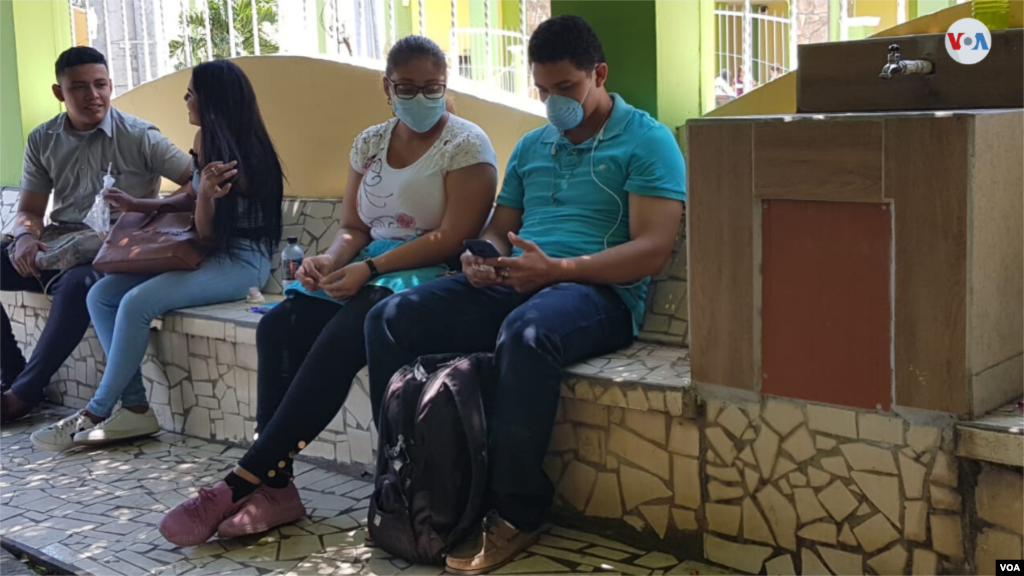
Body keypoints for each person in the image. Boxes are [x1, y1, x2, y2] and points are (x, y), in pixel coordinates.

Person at [364, 15, 686, 575]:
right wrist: (481, 256)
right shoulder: (534, 146)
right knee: (388, 320)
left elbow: (653, 249)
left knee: (527, 337)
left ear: (599, 74)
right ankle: (411, 484)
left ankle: (517, 511)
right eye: (543, 90)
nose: (554, 102)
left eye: (567, 88)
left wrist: (558, 268)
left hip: (598, 293)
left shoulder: (648, 140)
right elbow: (498, 226)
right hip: (520, 280)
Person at [158, 36, 498, 547]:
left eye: (433, 88)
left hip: (428, 272)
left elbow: (451, 236)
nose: (421, 97)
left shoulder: (467, 144)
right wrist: (330, 260)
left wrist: (370, 268)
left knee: (345, 331)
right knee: (279, 326)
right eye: (407, 87)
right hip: (369, 267)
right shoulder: (368, 143)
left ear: (445, 86)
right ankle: (278, 487)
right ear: (387, 88)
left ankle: (244, 480)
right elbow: (352, 227)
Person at [30, 60, 283, 452]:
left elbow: (208, 230)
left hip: (241, 262)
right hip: (206, 254)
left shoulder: (245, 158)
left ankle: (96, 412)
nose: (185, 100)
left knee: (135, 303)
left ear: (213, 101)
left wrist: (205, 198)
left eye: (191, 93)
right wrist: (141, 203)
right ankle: (134, 407)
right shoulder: (205, 143)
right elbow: (190, 192)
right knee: (101, 293)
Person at [0, 47, 191, 424]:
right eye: (80, 87)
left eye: (101, 85)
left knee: (80, 284)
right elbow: (30, 211)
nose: (94, 96)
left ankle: (23, 394)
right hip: (56, 245)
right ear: (60, 93)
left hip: (114, 251)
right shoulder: (43, 139)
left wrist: (143, 206)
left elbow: (196, 184)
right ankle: (11, 369)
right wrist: (24, 237)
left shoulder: (139, 136)